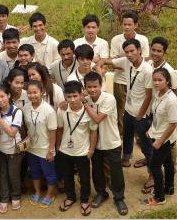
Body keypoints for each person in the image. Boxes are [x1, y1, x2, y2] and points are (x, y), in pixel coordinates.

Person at [105, 39, 153, 192]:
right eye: (127, 52)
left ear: (139, 50)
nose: (130, 54)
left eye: (132, 51)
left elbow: (148, 96)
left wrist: (140, 115)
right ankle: (126, 158)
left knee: (146, 145)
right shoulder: (127, 62)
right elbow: (109, 61)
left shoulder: (147, 70)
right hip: (128, 110)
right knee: (126, 136)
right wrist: (98, 63)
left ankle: (153, 176)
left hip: (141, 115)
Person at [82, 72, 128, 215]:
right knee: (96, 170)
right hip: (94, 143)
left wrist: (84, 103)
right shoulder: (86, 99)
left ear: (101, 85)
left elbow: (97, 119)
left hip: (111, 141)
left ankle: (119, 197)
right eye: (89, 87)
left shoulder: (109, 99)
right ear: (85, 87)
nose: (92, 90)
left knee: (116, 171)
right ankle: (101, 193)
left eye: (95, 86)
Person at [56, 81, 97, 216]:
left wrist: (91, 150)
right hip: (65, 150)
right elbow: (60, 129)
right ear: (65, 97)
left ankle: (84, 200)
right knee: (67, 176)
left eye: (75, 96)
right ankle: (70, 197)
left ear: (81, 95)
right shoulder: (62, 110)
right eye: (69, 97)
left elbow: (93, 132)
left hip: (82, 151)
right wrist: (58, 146)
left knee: (84, 177)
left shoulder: (88, 111)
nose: (72, 100)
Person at [110, 11, 149, 142]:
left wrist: (125, 61)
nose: (126, 27)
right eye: (124, 24)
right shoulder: (116, 40)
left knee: (140, 108)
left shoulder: (143, 40)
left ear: (136, 25)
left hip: (139, 80)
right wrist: (131, 61)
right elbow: (113, 64)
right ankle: (123, 135)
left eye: (129, 24)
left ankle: (139, 136)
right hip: (120, 80)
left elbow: (146, 59)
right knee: (121, 110)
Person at [143, 68, 177, 206]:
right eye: (155, 80)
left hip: (164, 139)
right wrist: (151, 129)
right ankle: (169, 188)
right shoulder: (158, 94)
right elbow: (156, 114)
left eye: (160, 80)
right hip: (157, 133)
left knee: (155, 166)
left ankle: (159, 197)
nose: (156, 83)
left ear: (167, 81)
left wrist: (160, 141)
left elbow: (173, 124)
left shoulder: (171, 100)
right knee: (168, 163)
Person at [23, 80, 57, 208]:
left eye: (35, 92)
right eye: (30, 93)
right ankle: (37, 192)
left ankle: (50, 194)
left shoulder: (49, 110)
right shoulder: (26, 107)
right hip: (31, 148)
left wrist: (51, 150)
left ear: (42, 92)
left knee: (49, 173)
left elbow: (53, 132)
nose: (32, 95)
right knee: (35, 172)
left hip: (45, 149)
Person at [0, 84, 24, 213]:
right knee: (2, 174)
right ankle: (4, 198)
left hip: (14, 150)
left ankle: (16, 196)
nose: (0, 100)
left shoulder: (17, 111)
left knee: (13, 174)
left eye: (2, 96)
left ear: (9, 96)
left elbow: (12, 132)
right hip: (0, 149)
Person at [149, 36, 177, 171]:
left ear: (164, 52)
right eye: (153, 50)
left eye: (159, 51)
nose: (155, 53)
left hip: (165, 110)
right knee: (155, 137)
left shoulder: (169, 71)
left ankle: (171, 167)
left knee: (168, 140)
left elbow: (174, 94)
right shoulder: (150, 65)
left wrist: (168, 110)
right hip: (155, 108)